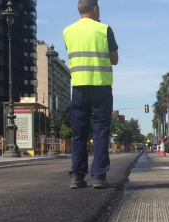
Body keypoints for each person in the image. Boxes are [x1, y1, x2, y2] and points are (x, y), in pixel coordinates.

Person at [63, 0, 119, 189]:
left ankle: (77, 177)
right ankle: (98, 176)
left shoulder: (67, 31)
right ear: (95, 9)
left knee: (79, 133)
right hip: (101, 87)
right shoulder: (104, 29)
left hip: (78, 88)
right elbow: (115, 59)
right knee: (100, 130)